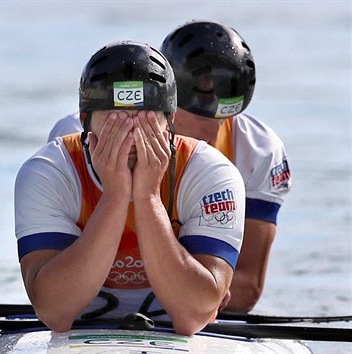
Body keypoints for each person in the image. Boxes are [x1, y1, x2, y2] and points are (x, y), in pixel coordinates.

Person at [47, 21, 292, 313]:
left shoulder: (260, 150)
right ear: (166, 103)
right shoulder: (76, 136)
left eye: (225, 118)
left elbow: (246, 289)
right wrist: (192, 286)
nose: (212, 135)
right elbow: (54, 268)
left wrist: (192, 293)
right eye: (200, 116)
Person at [15, 40, 245, 335]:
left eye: (147, 117)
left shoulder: (211, 173)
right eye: (115, 119)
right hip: (79, 324)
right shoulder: (50, 171)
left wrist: (148, 198)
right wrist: (114, 197)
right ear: (85, 121)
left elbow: (193, 316)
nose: (131, 135)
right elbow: (55, 313)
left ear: (171, 120)